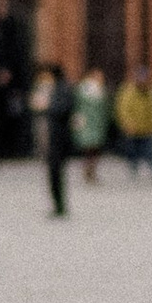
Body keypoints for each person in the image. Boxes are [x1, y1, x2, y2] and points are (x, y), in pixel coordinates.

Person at [34, 62, 69, 218]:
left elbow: (63, 109)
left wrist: (46, 106)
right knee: (53, 174)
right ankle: (57, 205)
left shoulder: (62, 89)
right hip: (52, 137)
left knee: (55, 173)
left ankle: (60, 206)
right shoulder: (52, 89)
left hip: (58, 138)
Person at [114, 70, 152, 180]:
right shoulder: (129, 92)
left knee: (150, 150)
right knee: (132, 150)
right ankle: (133, 168)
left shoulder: (149, 93)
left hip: (147, 128)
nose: (144, 82)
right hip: (133, 128)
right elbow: (123, 110)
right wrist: (127, 124)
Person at [71, 67, 111, 184]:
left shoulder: (101, 89)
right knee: (89, 147)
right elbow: (78, 106)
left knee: (96, 147)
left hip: (98, 124)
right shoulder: (84, 89)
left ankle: (91, 170)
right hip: (87, 122)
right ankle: (88, 170)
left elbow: (104, 108)